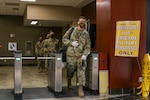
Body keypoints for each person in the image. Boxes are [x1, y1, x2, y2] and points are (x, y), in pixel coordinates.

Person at [62, 16, 91, 97]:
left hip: (80, 56)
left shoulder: (86, 34)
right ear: (78, 22)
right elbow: (64, 39)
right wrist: (71, 43)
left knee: (81, 72)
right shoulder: (72, 30)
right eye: (81, 21)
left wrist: (85, 55)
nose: (82, 23)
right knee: (70, 70)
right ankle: (69, 80)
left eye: (84, 22)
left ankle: (80, 89)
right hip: (71, 55)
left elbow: (88, 46)